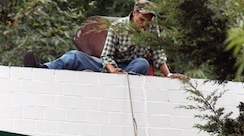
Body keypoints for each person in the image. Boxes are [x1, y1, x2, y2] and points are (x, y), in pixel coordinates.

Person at [23, 0, 184, 78]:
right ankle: (43, 69)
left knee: (142, 62)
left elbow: (158, 54)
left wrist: (169, 75)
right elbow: (106, 55)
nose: (144, 25)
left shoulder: (151, 29)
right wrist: (112, 69)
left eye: (147, 22)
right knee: (74, 56)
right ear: (134, 13)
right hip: (108, 66)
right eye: (141, 20)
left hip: (129, 69)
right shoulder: (118, 27)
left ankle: (122, 80)